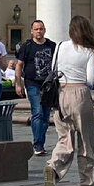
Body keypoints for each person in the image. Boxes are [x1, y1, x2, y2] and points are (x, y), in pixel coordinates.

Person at [43, 15, 94, 186]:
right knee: (85, 141)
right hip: (80, 94)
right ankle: (86, 185)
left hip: (60, 94)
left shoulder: (59, 46)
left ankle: (53, 167)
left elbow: (53, 68)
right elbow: (91, 79)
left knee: (64, 138)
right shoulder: (88, 51)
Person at [13, 19, 56, 156]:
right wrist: (18, 83)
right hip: (32, 83)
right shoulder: (27, 46)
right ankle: (37, 144)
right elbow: (19, 65)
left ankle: (40, 142)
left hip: (48, 85)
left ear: (44, 30)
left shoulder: (52, 46)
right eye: (36, 29)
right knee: (37, 112)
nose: (39, 31)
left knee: (45, 116)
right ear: (32, 31)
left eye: (41, 29)